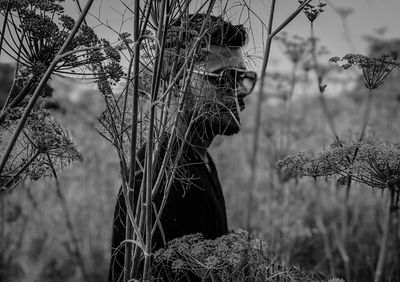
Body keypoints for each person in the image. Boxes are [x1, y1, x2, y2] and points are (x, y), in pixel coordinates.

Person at [108, 14, 257, 282]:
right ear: (176, 83)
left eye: (242, 76)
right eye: (222, 76)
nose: (237, 90)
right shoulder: (159, 185)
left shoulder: (201, 159)